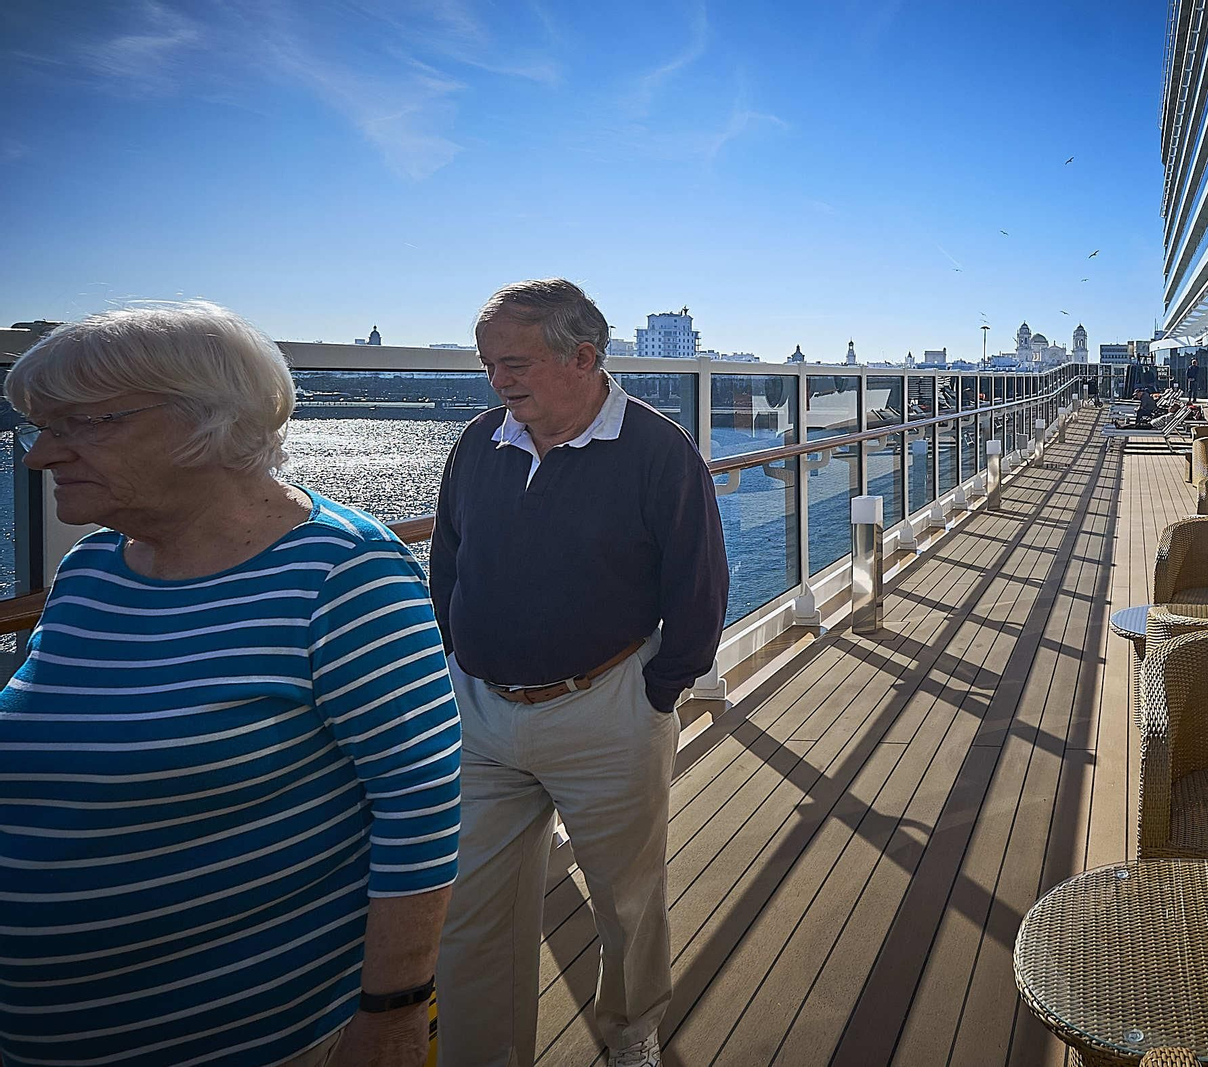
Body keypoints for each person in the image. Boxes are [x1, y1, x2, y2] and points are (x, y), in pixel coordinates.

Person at [0, 303, 462, 1067]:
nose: (40, 455)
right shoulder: (89, 568)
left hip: (242, 1037)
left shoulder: (343, 575)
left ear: (203, 424)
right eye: (39, 425)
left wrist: (391, 1014)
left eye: (81, 423)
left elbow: (420, 801)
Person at [433, 279, 729, 1067]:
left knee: (626, 902)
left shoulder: (659, 453)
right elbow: (449, 560)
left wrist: (656, 691)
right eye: (488, 364)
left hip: (607, 709)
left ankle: (631, 1033)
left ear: (584, 356)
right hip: (483, 718)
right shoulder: (477, 445)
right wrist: (457, 660)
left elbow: (697, 587)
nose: (499, 380)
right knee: (470, 910)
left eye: (515, 362)